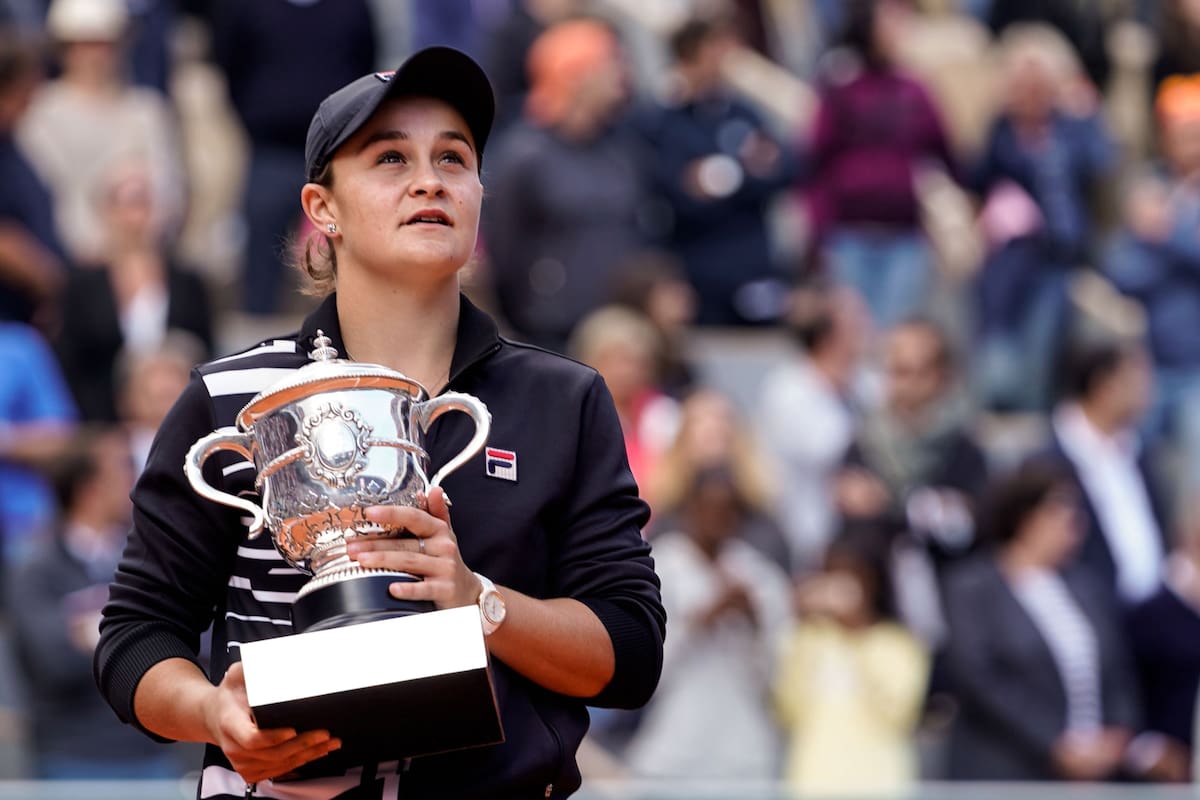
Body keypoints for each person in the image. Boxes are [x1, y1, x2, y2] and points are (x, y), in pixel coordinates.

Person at [93, 47, 665, 800]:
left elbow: (628, 653)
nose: (430, 179)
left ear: (479, 195)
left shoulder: (564, 399)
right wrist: (213, 713)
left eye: (453, 158)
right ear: (321, 208)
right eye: (390, 158)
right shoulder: (231, 398)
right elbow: (135, 636)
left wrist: (479, 600)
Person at [942, 464, 1142, 781]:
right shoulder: (974, 587)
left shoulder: (1085, 586)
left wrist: (1115, 737)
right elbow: (981, 678)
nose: (1074, 521)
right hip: (1010, 770)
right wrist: (1055, 743)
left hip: (1092, 775)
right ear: (1026, 515)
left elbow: (1118, 672)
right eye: (1061, 509)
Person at [8, 426, 180, 779]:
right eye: (122, 468)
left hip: (152, 755)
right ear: (89, 487)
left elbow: (187, 638)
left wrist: (87, 630)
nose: (134, 479)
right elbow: (52, 659)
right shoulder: (34, 565)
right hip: (70, 760)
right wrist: (136, 635)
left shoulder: (147, 558)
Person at [626, 466, 791, 780]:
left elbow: (778, 680)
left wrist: (754, 622)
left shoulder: (760, 577)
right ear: (690, 509)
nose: (717, 518)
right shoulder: (656, 570)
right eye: (709, 507)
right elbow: (642, 674)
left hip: (746, 755)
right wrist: (701, 619)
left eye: (727, 510)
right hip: (672, 753)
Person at [774, 534, 928, 795]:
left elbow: (898, 715)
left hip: (881, 781)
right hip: (813, 781)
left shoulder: (899, 643)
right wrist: (797, 624)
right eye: (833, 575)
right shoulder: (809, 638)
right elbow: (788, 710)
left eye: (852, 576)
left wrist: (855, 633)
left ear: (873, 581)